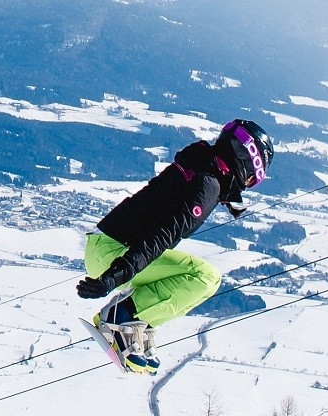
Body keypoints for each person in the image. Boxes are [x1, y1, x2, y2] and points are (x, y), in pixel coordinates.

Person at [76, 119, 274, 375]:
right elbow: (160, 238)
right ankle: (120, 317)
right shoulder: (207, 186)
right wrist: (113, 277)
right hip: (112, 253)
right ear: (246, 161)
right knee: (205, 277)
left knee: (203, 281)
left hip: (105, 247)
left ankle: (137, 326)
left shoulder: (202, 170)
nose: (247, 184)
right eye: (251, 178)